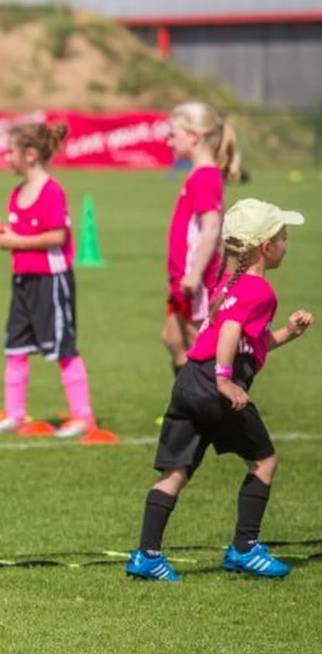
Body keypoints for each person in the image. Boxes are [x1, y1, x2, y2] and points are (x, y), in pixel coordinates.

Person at [126, 199, 311, 582]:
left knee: (175, 472)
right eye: (282, 236)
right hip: (214, 387)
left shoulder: (228, 284)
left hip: (190, 381)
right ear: (265, 247)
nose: (285, 243)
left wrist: (289, 333)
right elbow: (228, 333)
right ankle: (245, 548)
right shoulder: (260, 291)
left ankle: (147, 554)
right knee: (265, 462)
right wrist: (225, 380)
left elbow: (249, 343)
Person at [0, 122, 97, 438]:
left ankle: (82, 416)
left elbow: (57, 236)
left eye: (10, 151)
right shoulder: (16, 193)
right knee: (14, 348)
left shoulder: (51, 192)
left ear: (30, 155)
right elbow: (18, 237)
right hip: (23, 282)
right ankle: (14, 414)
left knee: (63, 348)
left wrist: (12, 241)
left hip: (52, 282)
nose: (6, 157)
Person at [162, 102, 241, 376]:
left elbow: (211, 228)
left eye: (173, 134)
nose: (168, 141)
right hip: (182, 279)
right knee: (172, 338)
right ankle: (187, 409)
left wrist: (195, 274)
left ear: (194, 137)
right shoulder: (199, 174)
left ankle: (206, 411)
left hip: (195, 282)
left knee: (199, 348)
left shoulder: (205, 176)